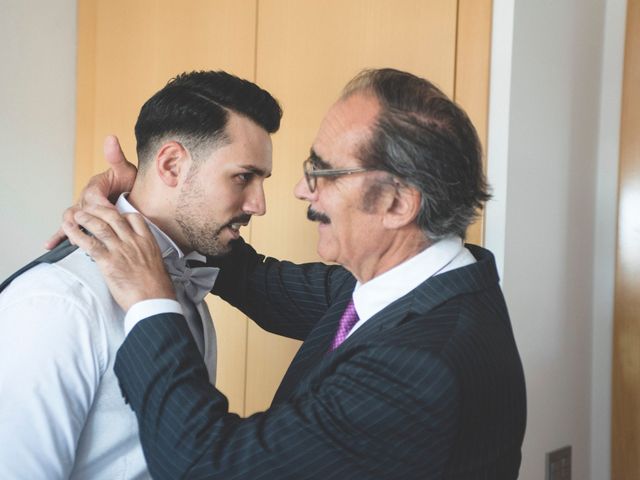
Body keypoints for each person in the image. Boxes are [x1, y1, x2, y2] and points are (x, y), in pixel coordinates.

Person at [62, 68, 526, 479]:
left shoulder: (420, 366)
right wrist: (148, 211)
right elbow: (263, 284)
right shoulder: (406, 285)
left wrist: (149, 299)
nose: (302, 190)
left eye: (323, 171)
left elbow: (207, 466)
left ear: (397, 203)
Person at [0, 70, 281, 479]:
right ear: (170, 165)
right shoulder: (57, 303)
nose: (258, 204)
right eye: (243, 176)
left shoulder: (187, 285)